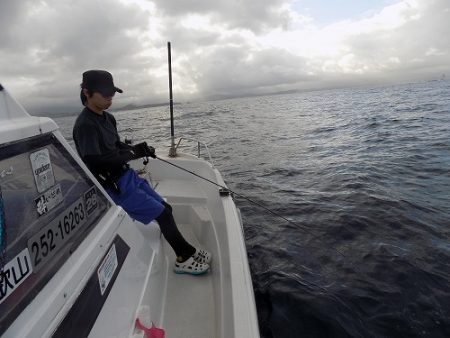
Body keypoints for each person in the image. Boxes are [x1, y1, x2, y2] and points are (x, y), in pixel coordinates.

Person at [73, 70, 211, 275]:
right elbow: (95, 163)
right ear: (87, 93)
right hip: (114, 186)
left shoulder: (108, 118)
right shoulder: (85, 125)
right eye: (104, 93)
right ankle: (184, 257)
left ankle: (184, 249)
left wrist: (139, 148)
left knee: (166, 208)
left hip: (126, 177)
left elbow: (116, 146)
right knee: (163, 214)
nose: (110, 97)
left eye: (112, 92)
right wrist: (132, 153)